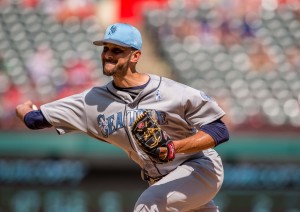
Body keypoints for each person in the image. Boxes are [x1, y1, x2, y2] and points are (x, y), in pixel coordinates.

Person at [16, 23, 229, 212]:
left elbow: (219, 130)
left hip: (200, 167)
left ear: (135, 56)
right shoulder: (91, 101)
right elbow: (35, 119)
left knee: (148, 205)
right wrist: (23, 110)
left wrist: (174, 147)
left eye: (117, 50)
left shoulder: (172, 92)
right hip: (161, 180)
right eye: (106, 49)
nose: (108, 54)